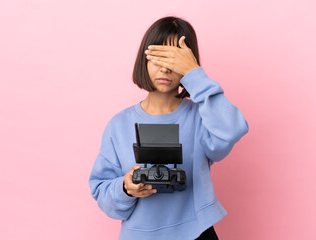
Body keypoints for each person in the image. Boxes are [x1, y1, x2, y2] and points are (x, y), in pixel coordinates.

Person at [89, 16, 249, 240]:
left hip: (196, 232)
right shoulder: (119, 125)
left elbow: (233, 129)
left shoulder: (202, 117)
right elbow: (102, 191)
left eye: (174, 61)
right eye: (158, 57)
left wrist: (195, 75)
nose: (165, 68)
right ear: (143, 60)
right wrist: (125, 188)